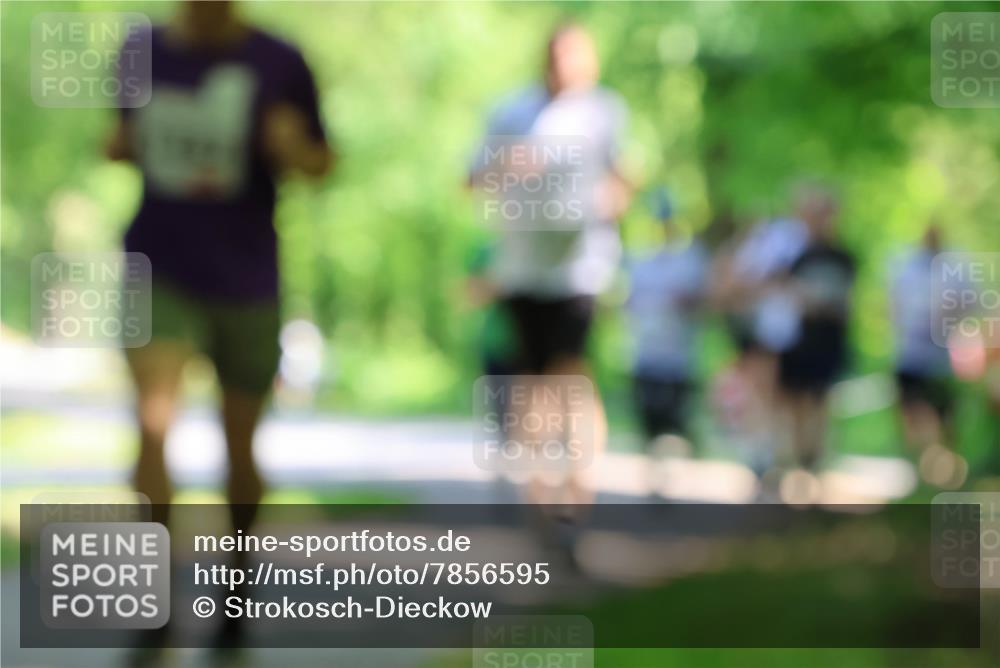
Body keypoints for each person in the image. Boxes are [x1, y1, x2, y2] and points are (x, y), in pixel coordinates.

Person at [106, 0, 333, 660]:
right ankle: (153, 606)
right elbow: (120, 138)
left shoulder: (280, 61)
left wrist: (293, 149)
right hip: (159, 266)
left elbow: (323, 162)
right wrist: (119, 144)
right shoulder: (139, 50)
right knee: (152, 422)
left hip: (247, 277)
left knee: (240, 445)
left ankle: (235, 600)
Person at [468, 22, 632, 509]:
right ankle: (540, 493)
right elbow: (472, 178)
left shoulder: (605, 113)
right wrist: (509, 167)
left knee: (570, 373)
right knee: (532, 380)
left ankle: (577, 492)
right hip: (521, 269)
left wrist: (604, 201)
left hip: (581, 267)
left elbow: (622, 181)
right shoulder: (510, 111)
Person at [775, 187, 855, 475]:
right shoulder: (793, 253)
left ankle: (814, 464)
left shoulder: (843, 256)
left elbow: (845, 303)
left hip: (828, 340)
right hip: (795, 340)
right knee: (794, 401)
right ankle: (797, 462)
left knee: (820, 402)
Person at [626, 188, 708, 457]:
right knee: (648, 412)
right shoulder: (640, 260)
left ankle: (677, 457)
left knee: (677, 413)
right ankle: (653, 460)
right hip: (646, 351)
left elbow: (702, 301)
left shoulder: (690, 259)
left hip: (679, 354)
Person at [889, 225, 957, 455]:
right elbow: (894, 302)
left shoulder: (953, 267)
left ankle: (939, 457)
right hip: (911, 352)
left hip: (940, 357)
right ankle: (919, 455)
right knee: (911, 407)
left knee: (941, 411)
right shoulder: (907, 265)